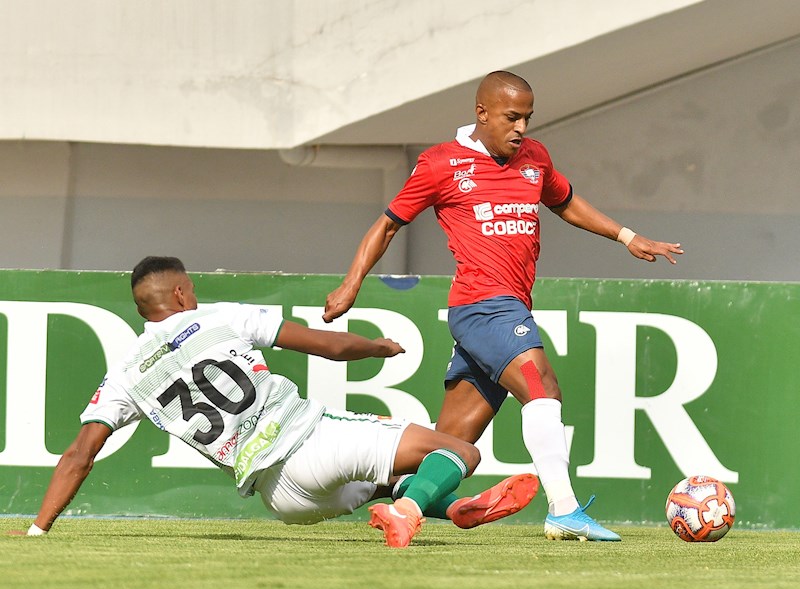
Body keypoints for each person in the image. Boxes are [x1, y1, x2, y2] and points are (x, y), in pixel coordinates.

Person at [324, 71, 685, 542]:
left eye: (527, 119)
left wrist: (627, 236)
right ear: (482, 113)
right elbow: (388, 225)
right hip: (484, 307)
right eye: (512, 117)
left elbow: (566, 202)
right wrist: (352, 284)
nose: (521, 129)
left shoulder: (534, 158)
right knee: (543, 389)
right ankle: (564, 508)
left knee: (451, 445)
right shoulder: (441, 163)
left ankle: (402, 501)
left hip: (505, 308)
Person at [18, 256, 538, 548]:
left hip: (282, 501)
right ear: (179, 294)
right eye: (191, 289)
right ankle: (410, 509)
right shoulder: (215, 316)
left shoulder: (126, 373)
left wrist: (38, 529)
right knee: (459, 453)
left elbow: (79, 455)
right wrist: (377, 347)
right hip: (310, 442)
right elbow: (328, 346)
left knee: (384, 474)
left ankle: (454, 509)